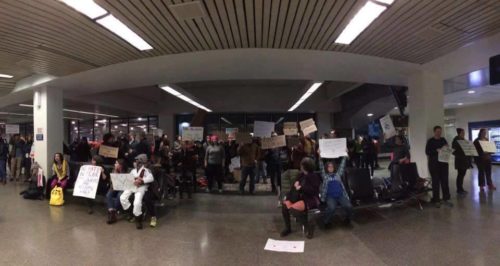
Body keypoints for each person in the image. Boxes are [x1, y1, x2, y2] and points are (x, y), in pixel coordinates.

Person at [280, 157, 322, 239]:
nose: (300, 166)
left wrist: (301, 187)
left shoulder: (314, 176)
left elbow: (313, 191)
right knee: (285, 206)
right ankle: (288, 228)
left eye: (302, 165)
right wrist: (288, 198)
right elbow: (293, 188)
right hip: (298, 197)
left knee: (293, 209)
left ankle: (308, 226)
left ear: (305, 166)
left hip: (310, 199)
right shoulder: (301, 175)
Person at [120, 154, 154, 230]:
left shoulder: (146, 170)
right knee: (122, 198)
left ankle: (138, 220)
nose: (135, 162)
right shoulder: (133, 170)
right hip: (131, 186)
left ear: (141, 162)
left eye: (136, 161)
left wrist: (142, 181)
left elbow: (151, 178)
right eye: (135, 161)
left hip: (141, 187)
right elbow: (128, 178)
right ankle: (131, 212)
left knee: (137, 202)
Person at [319, 157, 352, 228]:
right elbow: (321, 167)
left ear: (334, 167)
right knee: (332, 208)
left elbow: (342, 166)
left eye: (332, 166)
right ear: (326, 168)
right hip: (330, 197)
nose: (330, 168)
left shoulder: (338, 174)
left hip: (340, 195)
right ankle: (326, 221)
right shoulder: (325, 176)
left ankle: (347, 218)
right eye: (329, 166)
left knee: (349, 206)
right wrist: (319, 157)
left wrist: (344, 156)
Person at [425, 126, 452, 208]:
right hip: (434, 165)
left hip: (443, 164)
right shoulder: (430, 141)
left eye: (440, 131)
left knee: (445, 181)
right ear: (434, 132)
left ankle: (446, 198)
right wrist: (436, 151)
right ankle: (436, 199)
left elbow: (447, 149)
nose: (439, 133)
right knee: (435, 182)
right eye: (437, 131)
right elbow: (427, 152)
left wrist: (448, 148)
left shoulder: (443, 140)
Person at [452, 128, 472, 195]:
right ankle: (459, 189)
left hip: (465, 161)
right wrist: (460, 154)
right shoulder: (455, 140)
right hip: (460, 161)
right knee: (460, 175)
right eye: (462, 133)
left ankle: (461, 189)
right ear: (459, 133)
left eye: (464, 133)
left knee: (462, 175)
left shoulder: (464, 140)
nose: (464, 134)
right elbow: (453, 151)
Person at [106, 159, 127, 224]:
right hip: (114, 187)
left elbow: (126, 183)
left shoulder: (126, 172)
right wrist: (115, 172)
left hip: (123, 188)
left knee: (119, 195)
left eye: (116, 163)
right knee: (108, 195)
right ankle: (112, 212)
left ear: (120, 165)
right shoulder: (114, 170)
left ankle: (113, 213)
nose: (115, 164)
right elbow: (111, 181)